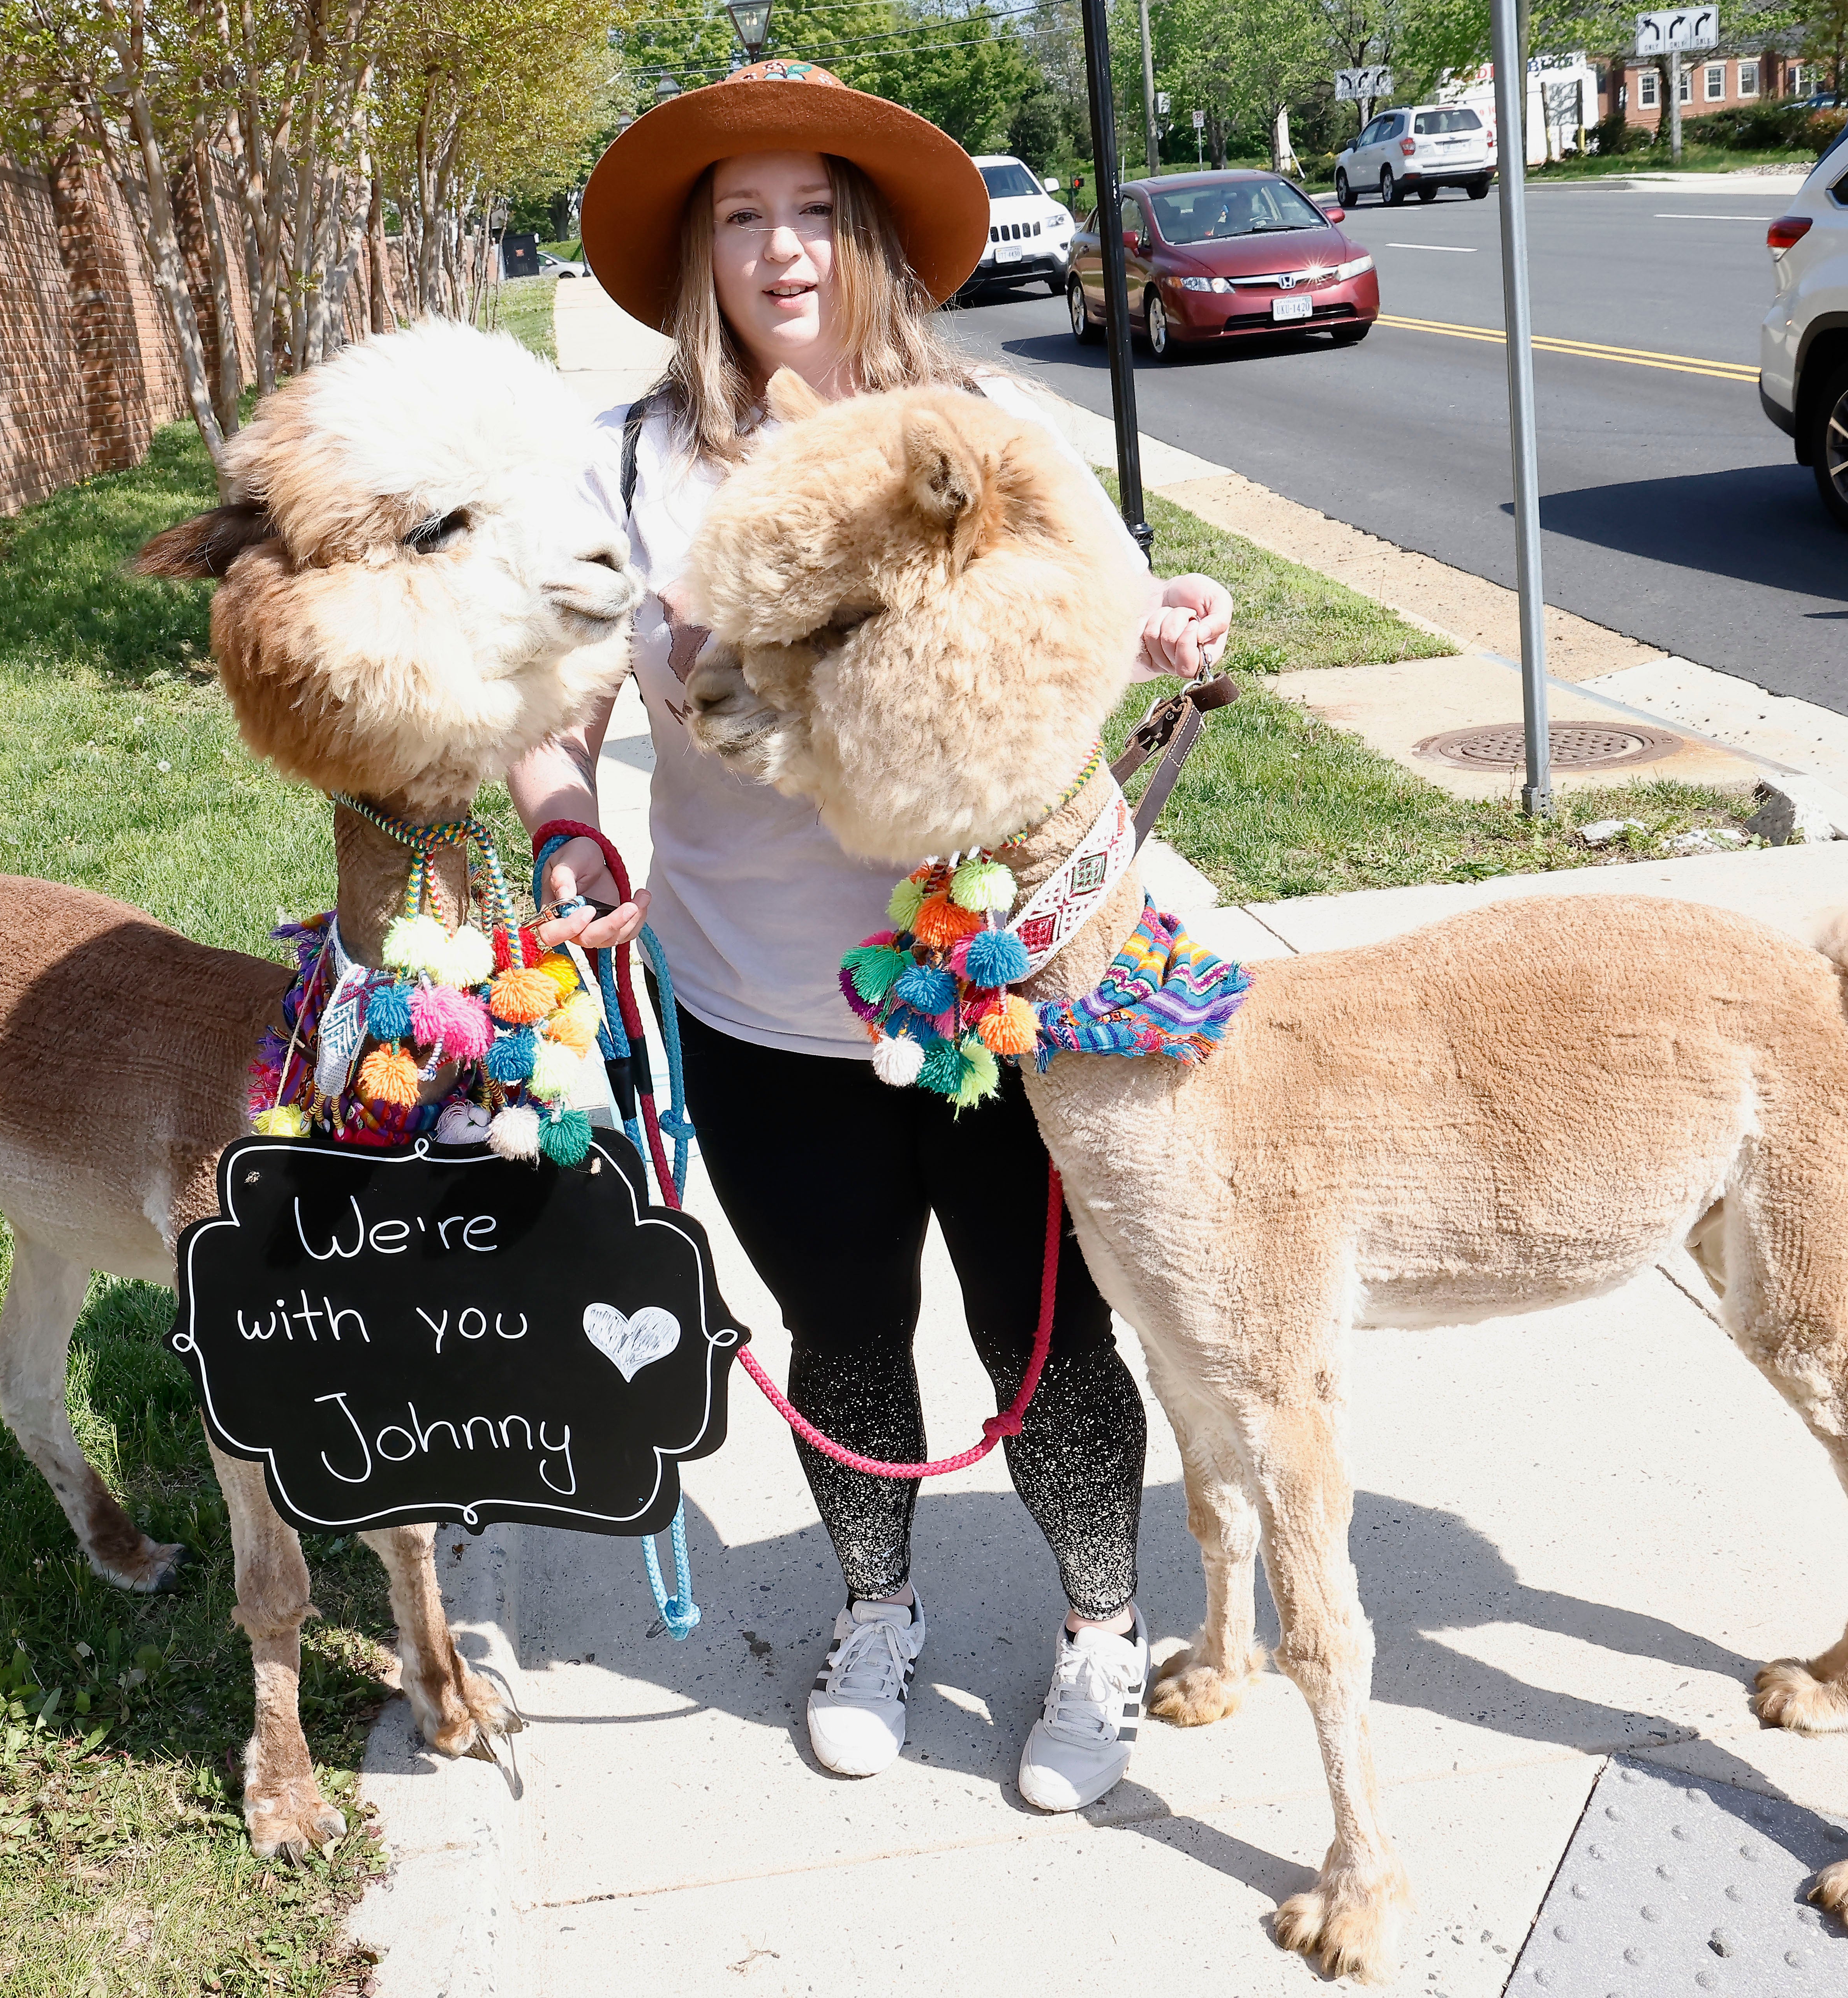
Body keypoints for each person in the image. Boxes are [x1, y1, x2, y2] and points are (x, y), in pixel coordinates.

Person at [511, 61, 1232, 1814]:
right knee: (840, 1327)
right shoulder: (628, 465)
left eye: (814, 215)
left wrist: (1171, 629)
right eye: (742, 218)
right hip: (754, 996)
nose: (780, 253)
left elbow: (1097, 609)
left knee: (1041, 1331)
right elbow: (549, 703)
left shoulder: (979, 427)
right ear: (699, 253)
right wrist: (563, 822)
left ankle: (1097, 1628)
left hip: (997, 987)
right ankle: (877, 1610)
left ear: (869, 245)